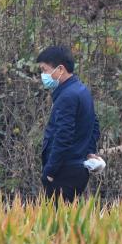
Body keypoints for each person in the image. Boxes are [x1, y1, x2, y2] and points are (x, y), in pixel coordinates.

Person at [36, 46, 101, 203]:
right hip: (78, 169)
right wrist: (89, 150)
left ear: (60, 69)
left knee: (54, 223)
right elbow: (95, 124)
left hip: (64, 171)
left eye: (45, 70)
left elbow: (63, 135)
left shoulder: (67, 96)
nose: (43, 75)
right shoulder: (81, 90)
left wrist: (50, 170)